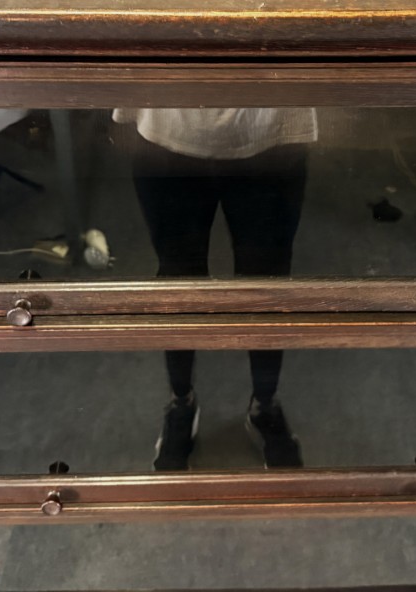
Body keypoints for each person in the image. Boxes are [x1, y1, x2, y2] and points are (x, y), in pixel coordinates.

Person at [114, 107, 317, 470]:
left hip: (272, 128)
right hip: (168, 127)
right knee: (178, 283)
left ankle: (264, 403)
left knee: (267, 287)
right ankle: (181, 400)